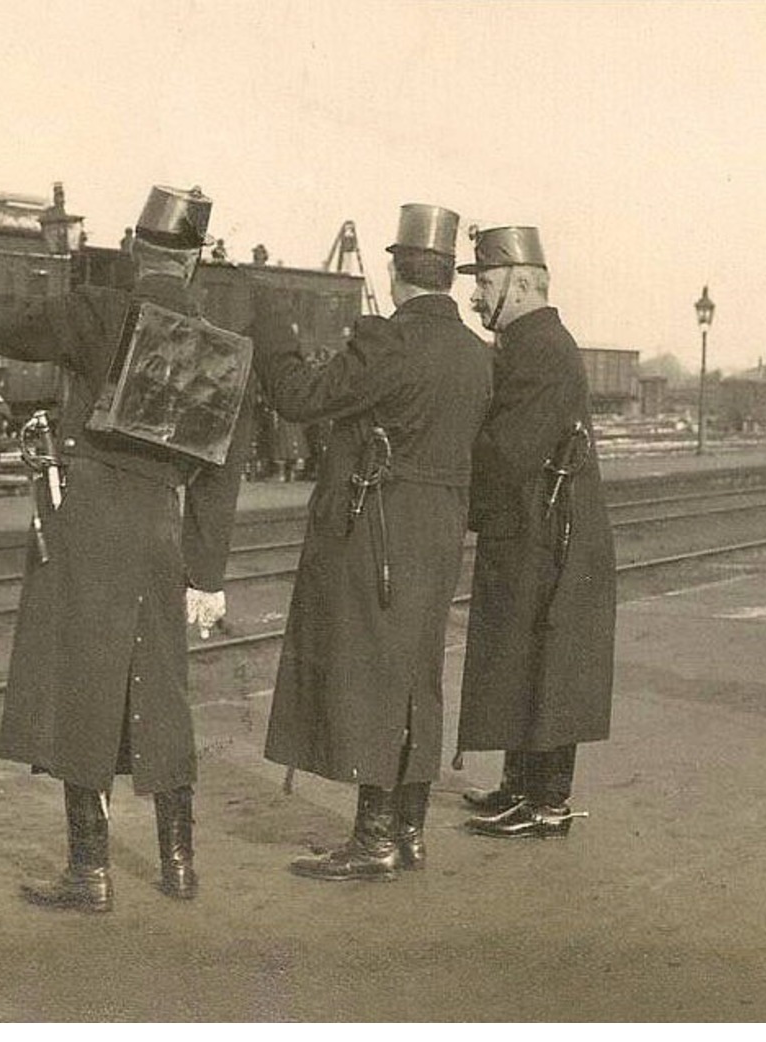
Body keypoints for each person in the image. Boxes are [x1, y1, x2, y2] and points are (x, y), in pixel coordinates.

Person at [0, 184, 254, 913]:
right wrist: (206, 574)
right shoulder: (220, 347)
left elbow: (7, 320)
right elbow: (221, 471)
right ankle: (179, 865)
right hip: (161, 525)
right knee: (161, 688)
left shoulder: (100, 310)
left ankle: (89, 876)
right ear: (193, 262)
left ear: (134, 249)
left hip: (88, 521)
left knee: (80, 689)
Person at [256, 203, 493, 881]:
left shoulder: (388, 343)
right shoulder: (477, 356)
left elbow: (300, 397)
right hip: (439, 526)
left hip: (380, 523)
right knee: (417, 672)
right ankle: (409, 833)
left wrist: (273, 330)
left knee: (371, 674)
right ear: (447, 275)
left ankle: (371, 842)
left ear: (396, 273)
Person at [454, 226, 616, 839]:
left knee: (547, 660)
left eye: (485, 283)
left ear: (521, 284)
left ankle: (546, 802)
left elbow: (507, 451)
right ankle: (521, 787)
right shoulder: (532, 342)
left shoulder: (541, 348)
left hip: (551, 537)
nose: (475, 297)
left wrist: (449, 488)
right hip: (539, 530)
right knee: (526, 656)